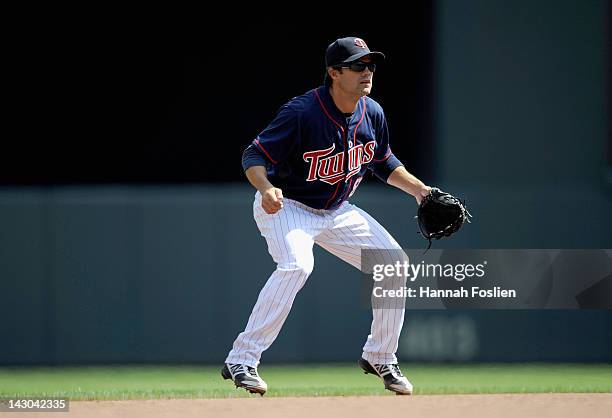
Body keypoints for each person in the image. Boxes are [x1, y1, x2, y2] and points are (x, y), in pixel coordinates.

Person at [221, 36, 431, 396]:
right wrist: (265, 188)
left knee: (394, 264)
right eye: (357, 66)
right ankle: (242, 358)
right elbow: (253, 156)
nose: (367, 72)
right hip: (290, 206)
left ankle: (381, 356)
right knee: (297, 266)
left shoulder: (373, 112)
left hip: (337, 210)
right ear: (334, 72)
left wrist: (422, 191)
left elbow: (383, 163)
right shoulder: (303, 112)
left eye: (370, 65)